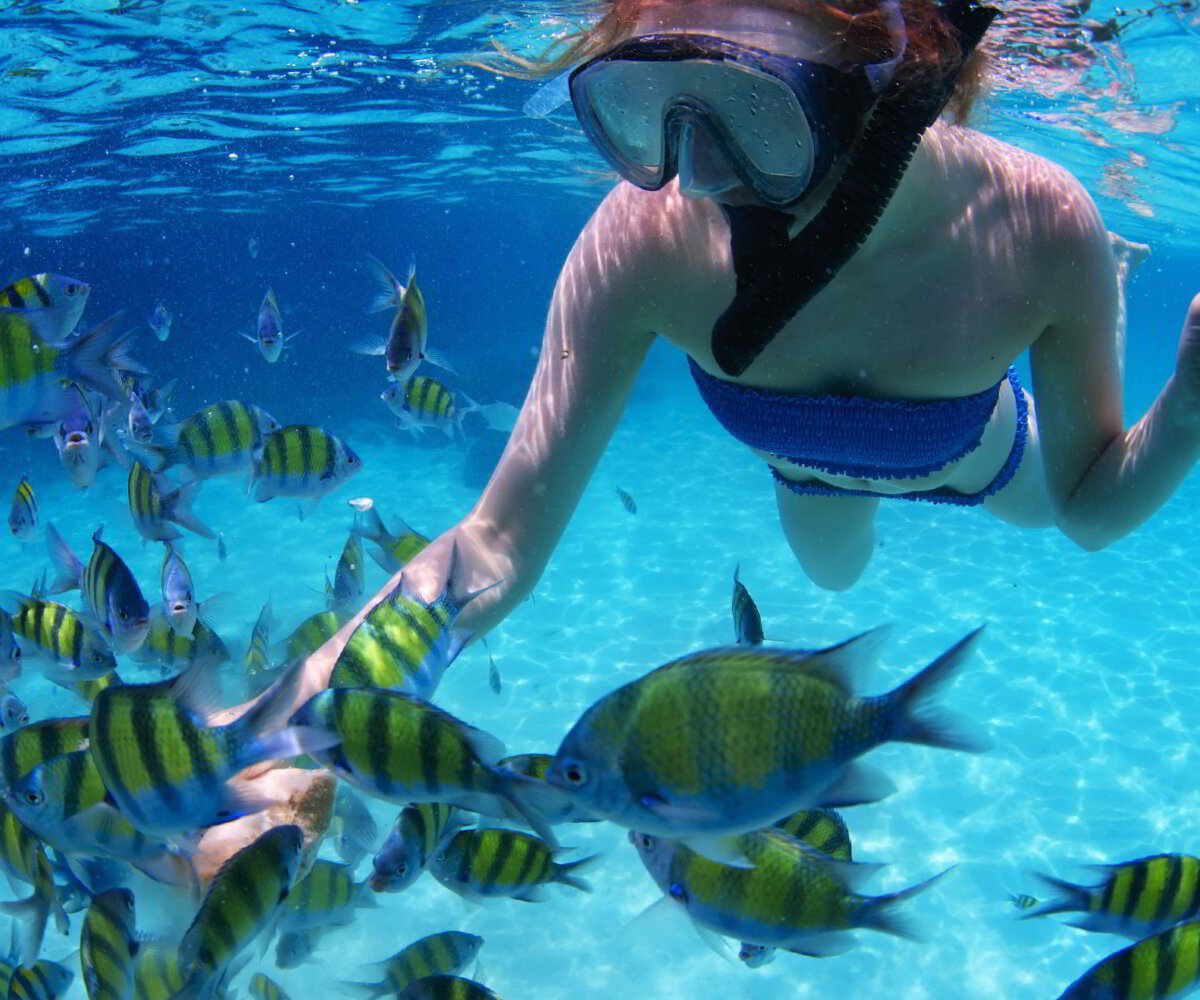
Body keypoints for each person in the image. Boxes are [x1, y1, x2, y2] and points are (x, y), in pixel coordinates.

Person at [199, 0, 1199, 872]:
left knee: (1032, 509)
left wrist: (1191, 395)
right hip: (806, 475)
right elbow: (494, 544)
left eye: (753, 108)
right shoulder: (640, 243)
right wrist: (276, 729)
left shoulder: (1038, 224)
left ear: (896, 80)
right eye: (646, 110)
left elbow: (1090, 509)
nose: (695, 177)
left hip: (971, 446)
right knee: (837, 574)